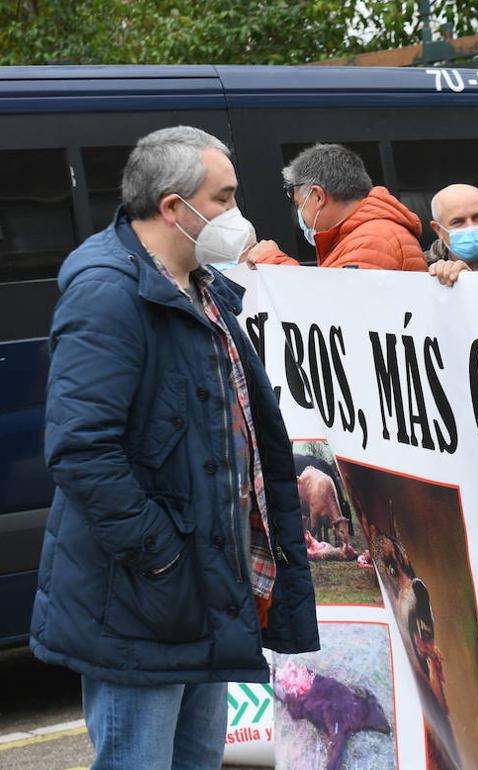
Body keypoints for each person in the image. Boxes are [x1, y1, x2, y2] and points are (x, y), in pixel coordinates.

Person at [29, 126, 320, 770]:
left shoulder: (204, 287)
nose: (238, 214)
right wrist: (162, 557)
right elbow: (81, 451)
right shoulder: (110, 293)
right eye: (225, 197)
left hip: (201, 592)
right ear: (172, 207)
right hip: (144, 603)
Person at [248, 143, 427, 271]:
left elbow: (335, 307)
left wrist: (273, 263)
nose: (301, 215)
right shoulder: (365, 234)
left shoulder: (371, 240)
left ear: (318, 196)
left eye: (299, 204)